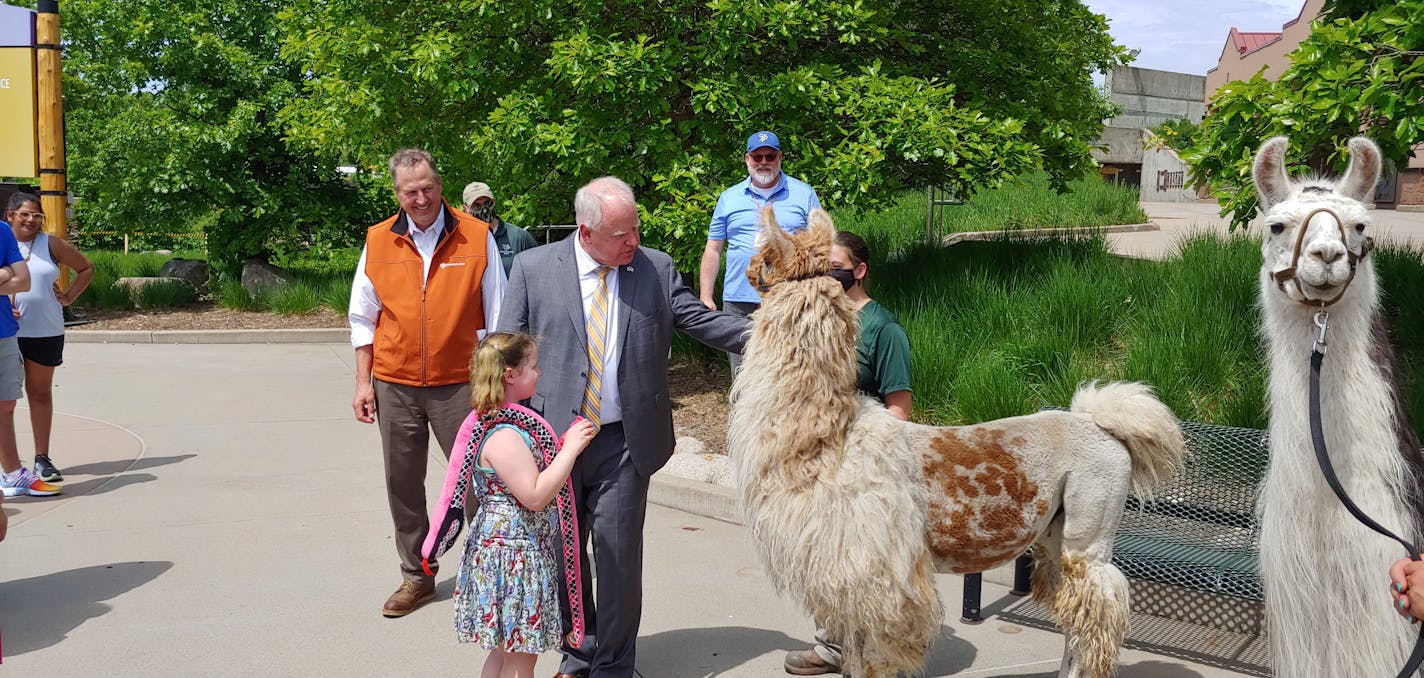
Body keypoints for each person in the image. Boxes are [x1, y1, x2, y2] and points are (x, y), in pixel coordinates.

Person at [498, 176, 748, 677]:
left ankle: (613, 666)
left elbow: (698, 320)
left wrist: (776, 334)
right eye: (621, 234)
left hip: (625, 440)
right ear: (586, 232)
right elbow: (505, 348)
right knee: (567, 557)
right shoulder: (533, 268)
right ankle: (579, 653)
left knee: (615, 557)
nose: (633, 241)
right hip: (554, 442)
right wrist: (496, 422)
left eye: (635, 229)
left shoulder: (654, 267)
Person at [349, 148, 506, 618]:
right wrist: (363, 384)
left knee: (481, 482)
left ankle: (487, 573)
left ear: (440, 184)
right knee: (403, 483)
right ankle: (417, 576)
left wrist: (492, 383)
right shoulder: (378, 240)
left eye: (427, 188)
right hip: (394, 383)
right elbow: (363, 316)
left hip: (461, 383)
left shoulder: (476, 237)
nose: (420, 199)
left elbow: (497, 315)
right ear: (397, 193)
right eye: (409, 191)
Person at [422, 331, 597, 678]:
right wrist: (571, 449)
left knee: (503, 654)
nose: (539, 373)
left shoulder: (501, 422)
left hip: (504, 550)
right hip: (513, 557)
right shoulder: (504, 434)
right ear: (510, 376)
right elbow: (534, 495)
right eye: (532, 366)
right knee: (520, 659)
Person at [784, 230, 912, 676]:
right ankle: (830, 645)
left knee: (861, 565)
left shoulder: (884, 329)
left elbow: (900, 408)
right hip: (819, 459)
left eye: (836, 266)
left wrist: (860, 439)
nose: (828, 275)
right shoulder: (819, 318)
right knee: (825, 558)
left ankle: (868, 651)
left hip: (863, 467)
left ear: (859, 271)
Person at [699, 130, 821, 374]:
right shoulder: (729, 198)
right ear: (747, 159)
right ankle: (743, 413)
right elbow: (713, 248)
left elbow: (818, 247)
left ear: (780, 158)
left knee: (788, 370)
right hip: (738, 301)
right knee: (742, 373)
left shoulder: (803, 193)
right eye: (757, 157)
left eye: (770, 156)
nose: (763, 162)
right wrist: (706, 295)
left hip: (788, 298)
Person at [7, 192, 95, 483]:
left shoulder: (50, 243)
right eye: (25, 214)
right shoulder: (2, 240)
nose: (31, 220)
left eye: (36, 215)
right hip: (5, 331)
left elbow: (85, 267)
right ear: (10, 216)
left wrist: (69, 297)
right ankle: (8, 464)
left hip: (45, 330)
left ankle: (41, 458)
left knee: (40, 393)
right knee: (3, 399)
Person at [0, 202, 42, 498]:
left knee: (6, 404)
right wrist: (3, 273)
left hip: (3, 332)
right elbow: (13, 277)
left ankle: (12, 473)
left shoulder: (2, 232)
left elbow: (23, 280)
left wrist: (9, 273)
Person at [464, 181, 538, 276]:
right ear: (465, 208)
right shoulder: (461, 241)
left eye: (487, 203)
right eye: (476, 205)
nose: (484, 208)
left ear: (494, 202)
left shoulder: (518, 237)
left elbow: (539, 272)